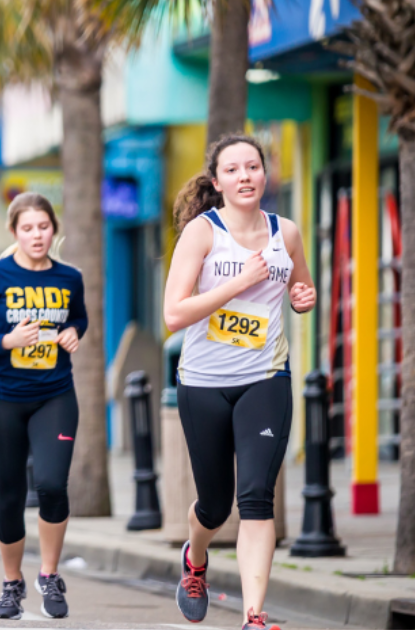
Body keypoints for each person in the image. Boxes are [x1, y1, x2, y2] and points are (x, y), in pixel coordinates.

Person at [163, 135, 315, 630]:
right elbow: (173, 314)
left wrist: (301, 297)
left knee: (255, 497)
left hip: (265, 378)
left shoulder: (285, 232)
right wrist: (237, 282)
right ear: (217, 181)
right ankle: (196, 557)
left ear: (264, 175)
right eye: (234, 170)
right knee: (214, 503)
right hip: (203, 383)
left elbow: (298, 286)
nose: (245, 176)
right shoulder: (202, 234)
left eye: (253, 167)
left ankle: (253, 616)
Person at [0, 192, 86, 620]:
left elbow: (79, 318)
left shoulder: (70, 278)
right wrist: (6, 341)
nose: (37, 235)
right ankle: (12, 583)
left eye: (44, 227)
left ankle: (49, 575)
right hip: (1, 400)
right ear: (14, 232)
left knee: (52, 484)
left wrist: (73, 333)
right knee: (11, 495)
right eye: (28, 228)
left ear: (54, 229)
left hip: (55, 395)